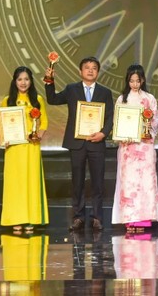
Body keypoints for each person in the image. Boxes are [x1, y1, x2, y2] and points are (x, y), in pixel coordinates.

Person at [45, 56, 114, 231]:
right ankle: (78, 217)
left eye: (94, 68)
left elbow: (110, 117)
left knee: (98, 183)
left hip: (96, 143)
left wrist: (103, 133)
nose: (90, 70)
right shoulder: (71, 89)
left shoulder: (105, 92)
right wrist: (49, 80)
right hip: (77, 143)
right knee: (77, 182)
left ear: (98, 72)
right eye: (87, 67)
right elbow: (52, 99)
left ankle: (97, 218)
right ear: (80, 71)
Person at [112, 64, 158, 232]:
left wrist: (148, 128)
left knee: (146, 182)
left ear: (142, 80)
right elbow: (117, 121)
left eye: (137, 80)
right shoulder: (122, 99)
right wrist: (122, 135)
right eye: (131, 81)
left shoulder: (149, 98)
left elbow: (156, 120)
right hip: (128, 148)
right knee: (128, 182)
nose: (134, 84)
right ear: (128, 81)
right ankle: (129, 218)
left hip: (145, 146)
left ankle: (143, 218)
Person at [0, 66, 49, 234]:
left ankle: (31, 219)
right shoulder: (8, 100)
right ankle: (15, 219)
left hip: (31, 147)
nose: (23, 82)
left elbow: (44, 122)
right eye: (20, 79)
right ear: (15, 81)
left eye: (26, 79)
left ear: (31, 81)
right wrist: (5, 139)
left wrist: (38, 135)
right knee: (16, 184)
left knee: (31, 181)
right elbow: (3, 123)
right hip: (14, 148)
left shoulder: (38, 99)